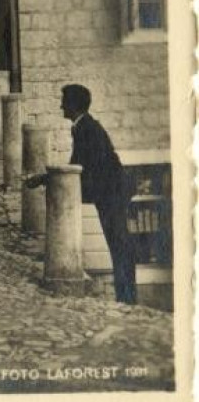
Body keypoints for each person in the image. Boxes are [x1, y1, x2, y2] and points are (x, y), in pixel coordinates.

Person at [27, 83, 136, 304]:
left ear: (74, 105)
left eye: (64, 101)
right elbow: (77, 167)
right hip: (108, 193)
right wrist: (47, 180)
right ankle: (126, 297)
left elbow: (81, 167)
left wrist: (43, 179)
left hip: (113, 194)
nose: (60, 106)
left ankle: (127, 299)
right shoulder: (82, 126)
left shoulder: (87, 128)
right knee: (118, 245)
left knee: (120, 246)